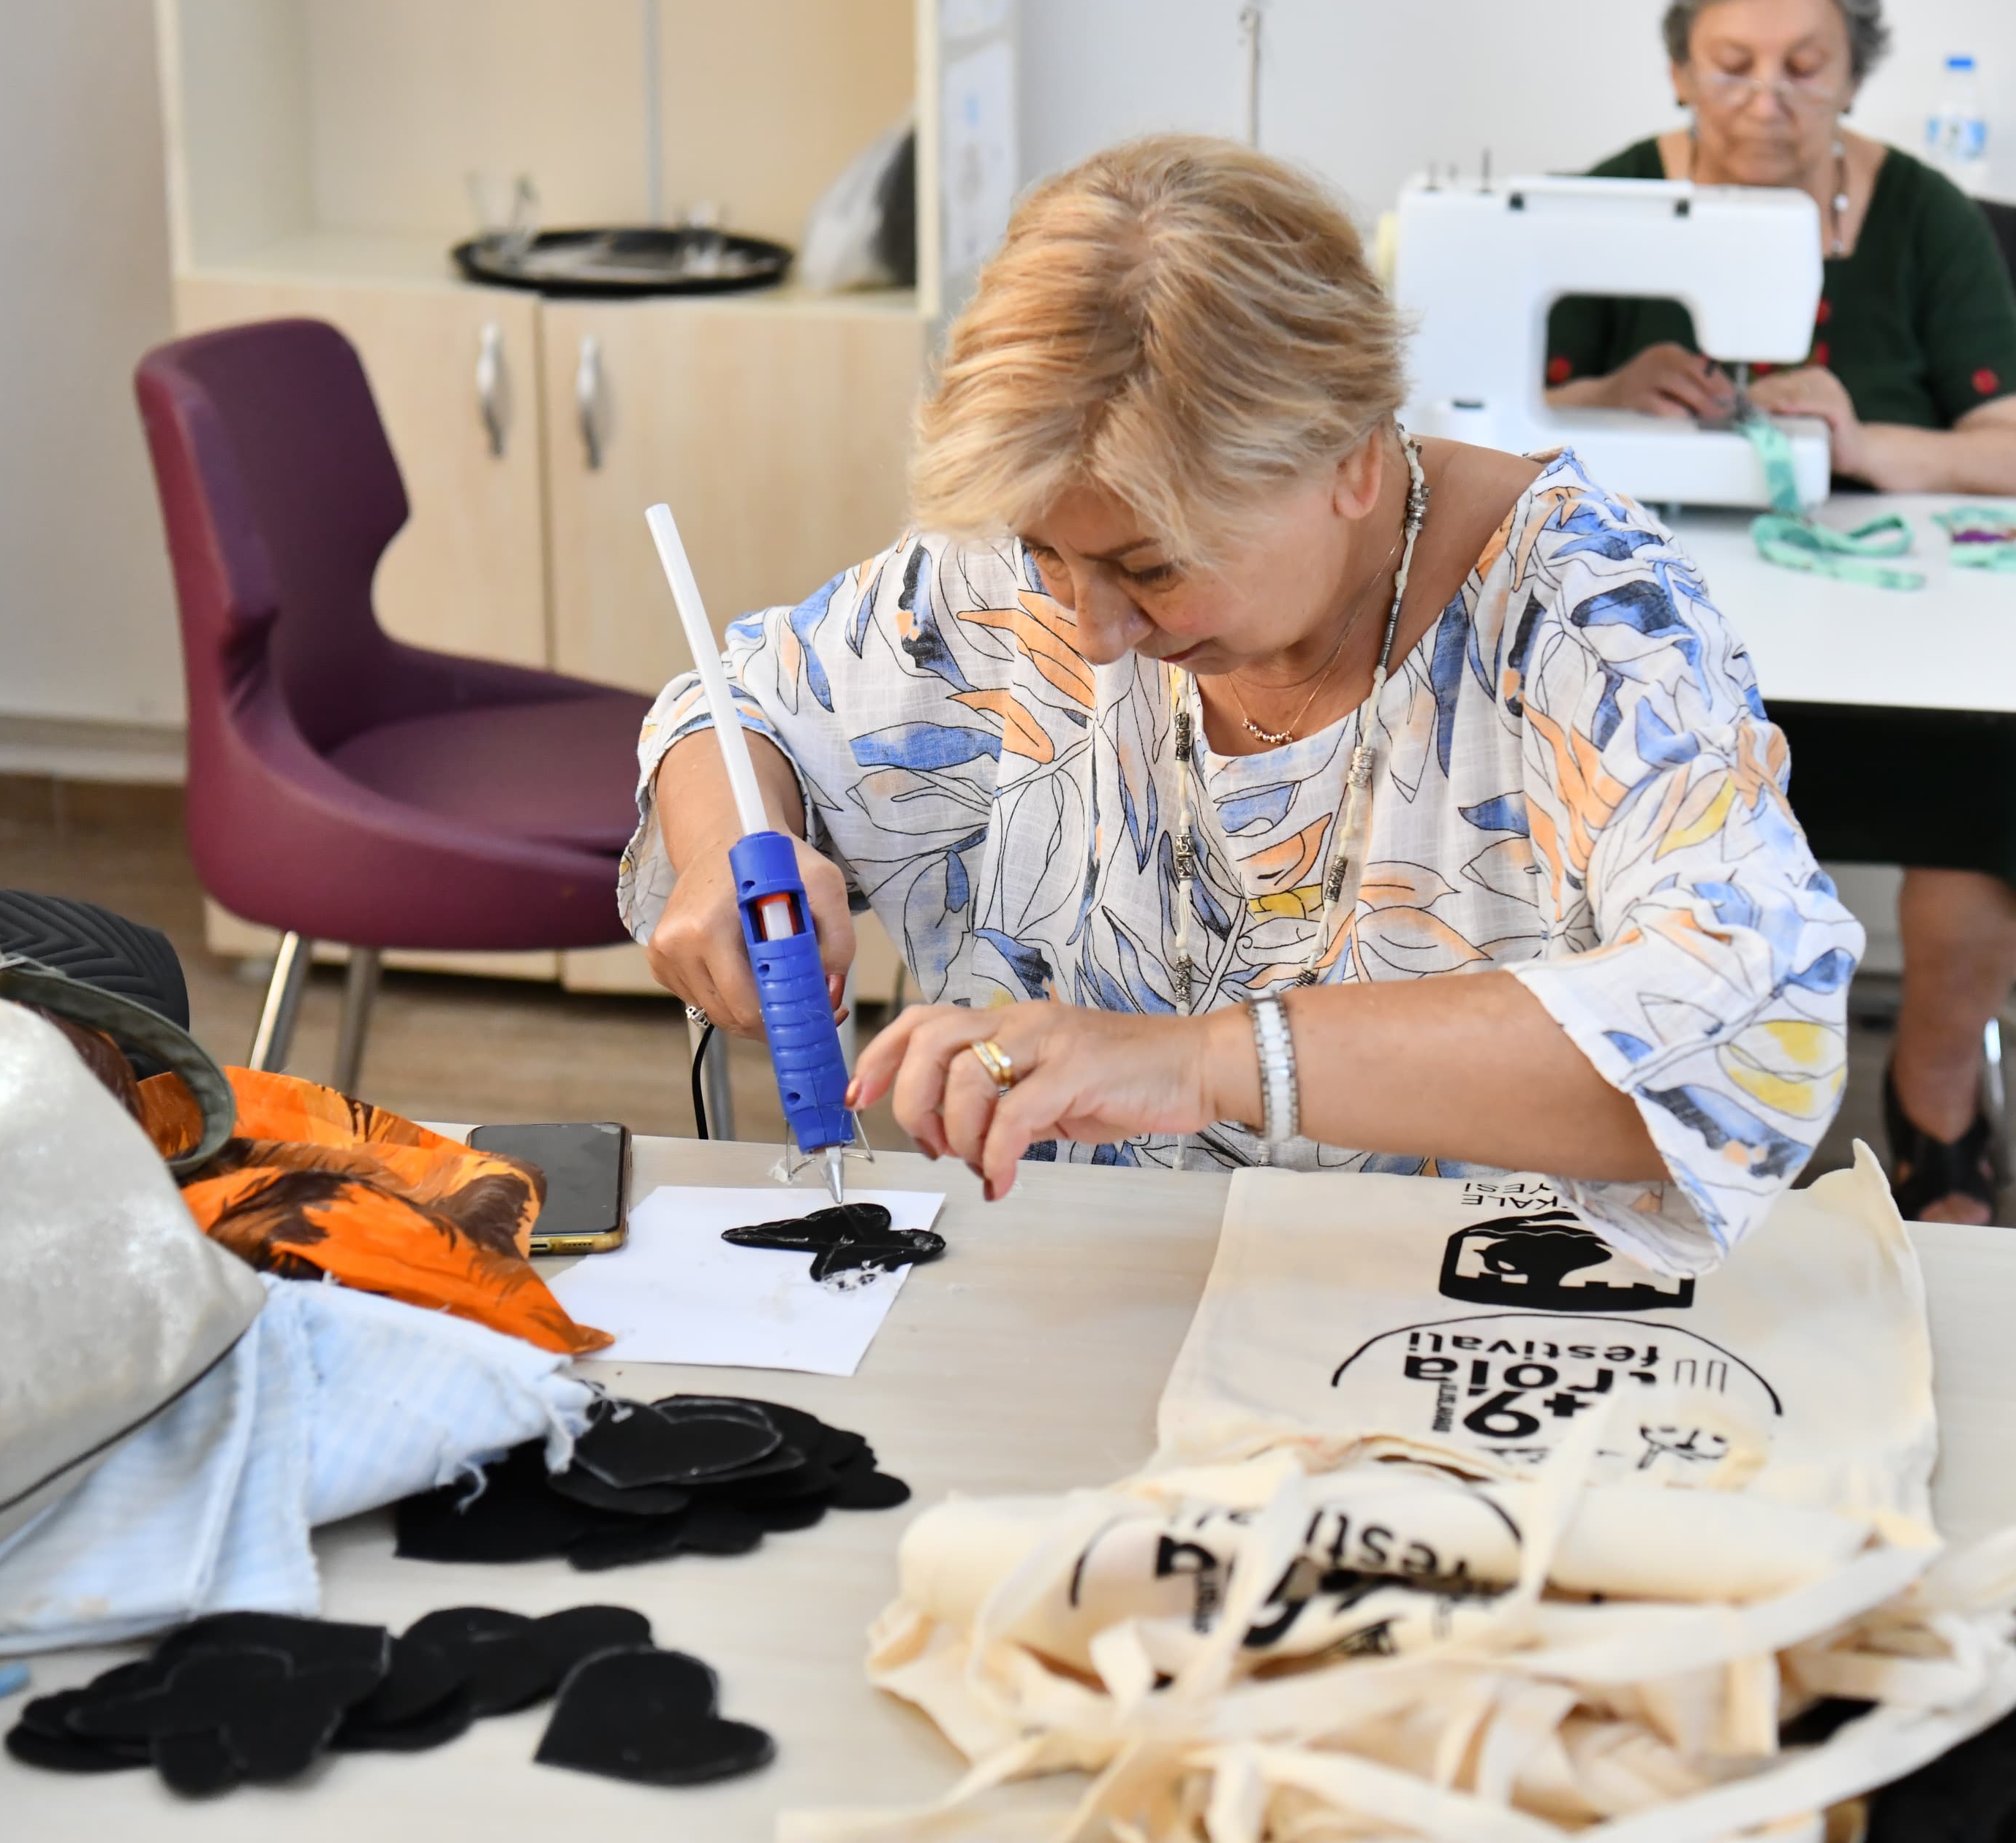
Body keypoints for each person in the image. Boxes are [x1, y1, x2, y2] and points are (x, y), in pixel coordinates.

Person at [620, 136, 1860, 1275]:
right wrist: (732, 848)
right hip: (1071, 1295)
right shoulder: (1029, 569)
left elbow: (1757, 1032)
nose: (1091, 629)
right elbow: (741, 710)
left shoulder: (1590, 627)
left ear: (1351, 458)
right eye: (1050, 556)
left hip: (1450, 1321)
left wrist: (1204, 1063)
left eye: (1155, 569)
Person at [1546, 0, 2016, 1226]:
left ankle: (1935, 1089)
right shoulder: (1604, 205)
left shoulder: (1924, 219)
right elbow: (1493, 425)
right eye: (1733, 65)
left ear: (1855, 69)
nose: (1767, 99)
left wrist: (1868, 441)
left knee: (2001, 793)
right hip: (1657, 660)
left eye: (1804, 66)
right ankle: (1659, 1100)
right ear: (1680, 65)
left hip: (1903, 664)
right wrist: (1607, 392)